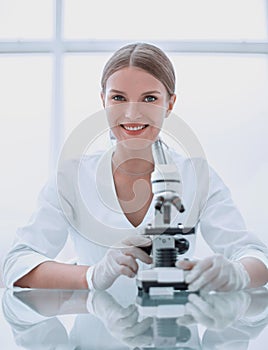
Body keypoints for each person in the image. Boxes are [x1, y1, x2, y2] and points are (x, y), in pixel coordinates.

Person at [2, 42, 268, 292]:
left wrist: (238, 274)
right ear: (103, 101)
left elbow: (257, 258)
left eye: (150, 99)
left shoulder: (195, 174)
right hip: (94, 337)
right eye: (118, 98)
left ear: (170, 104)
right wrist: (92, 275)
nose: (131, 114)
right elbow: (17, 264)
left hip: (175, 334)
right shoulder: (72, 177)